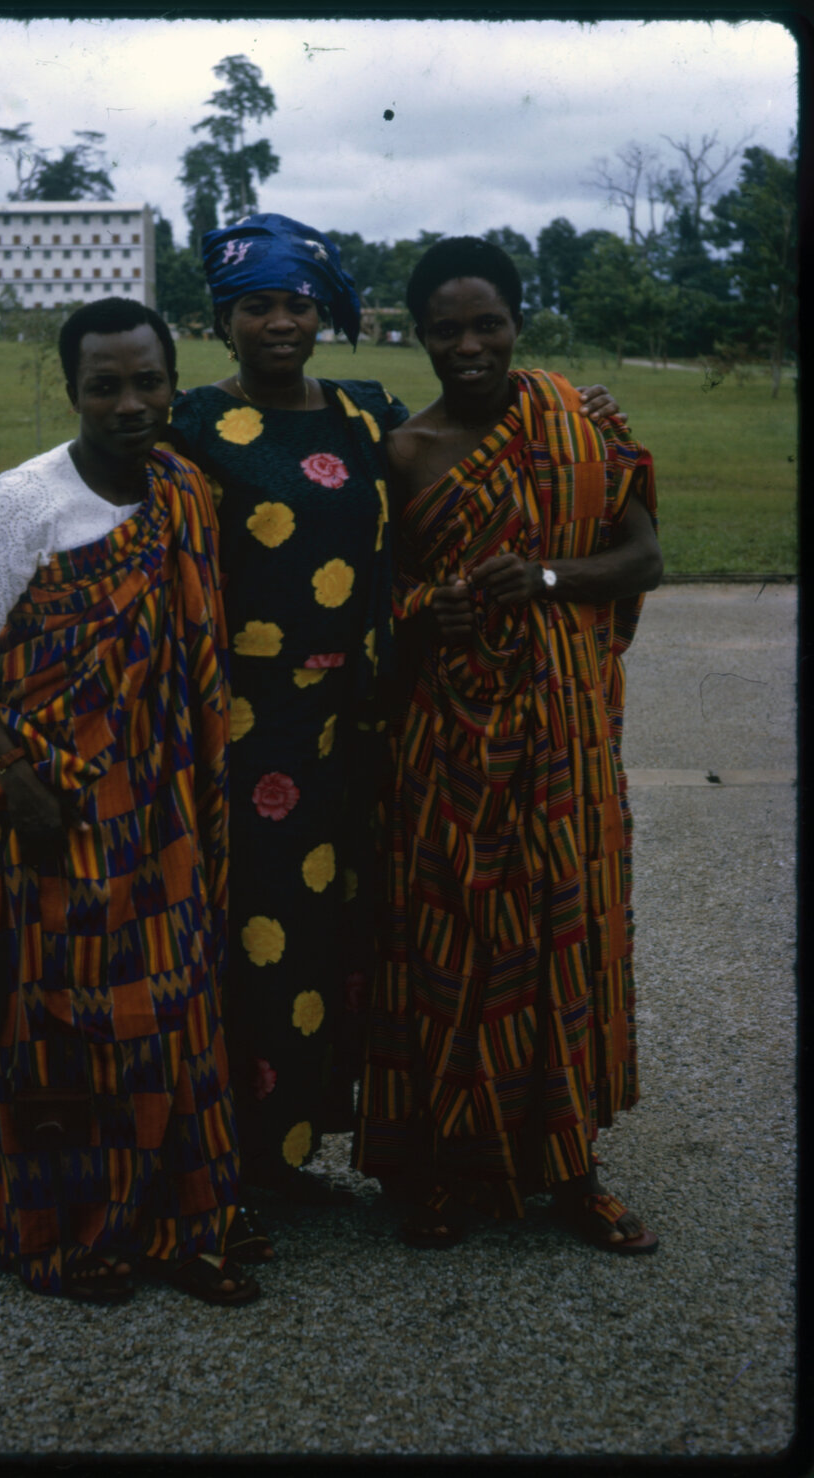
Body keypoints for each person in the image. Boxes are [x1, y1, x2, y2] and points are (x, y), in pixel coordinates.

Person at [167, 213, 624, 1215]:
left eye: (296, 302)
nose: (279, 323)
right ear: (224, 318)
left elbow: (427, 540)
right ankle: (243, 1164)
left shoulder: (363, 414)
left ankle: (342, 1148)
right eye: (257, 306)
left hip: (371, 723)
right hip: (254, 732)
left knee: (366, 937)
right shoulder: (191, 426)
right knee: (255, 934)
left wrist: (587, 410)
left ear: (324, 310)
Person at [0, 297, 260, 1305]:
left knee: (168, 1011)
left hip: (155, 807)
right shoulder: (24, 500)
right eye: (104, 385)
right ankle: (70, 1232)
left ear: (173, 382)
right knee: (58, 1024)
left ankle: (179, 1219)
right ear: (72, 390)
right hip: (45, 810)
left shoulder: (183, 491)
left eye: (147, 381)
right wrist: (14, 774)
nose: (129, 402)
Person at [353, 237, 663, 1254]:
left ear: (518, 323)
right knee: (449, 939)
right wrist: (424, 608)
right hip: (446, 739)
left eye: (487, 323)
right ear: (421, 336)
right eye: (447, 329)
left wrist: (541, 578)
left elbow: (640, 557)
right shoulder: (406, 452)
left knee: (564, 939)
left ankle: (572, 1168)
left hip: (563, 730)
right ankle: (439, 1168)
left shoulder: (575, 423)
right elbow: (377, 598)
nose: (469, 344)